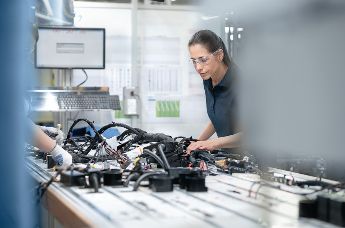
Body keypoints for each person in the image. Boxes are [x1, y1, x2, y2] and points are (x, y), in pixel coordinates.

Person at [186, 30, 242, 154]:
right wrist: (196, 143)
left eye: (203, 59)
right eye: (194, 61)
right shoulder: (208, 80)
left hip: (256, 164)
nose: (198, 67)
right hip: (230, 158)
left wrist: (211, 143)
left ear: (219, 55)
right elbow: (219, 117)